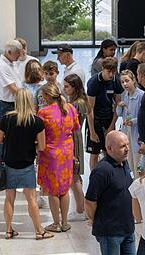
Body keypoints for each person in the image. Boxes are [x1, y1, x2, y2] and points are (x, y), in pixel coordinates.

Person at [85, 131, 143, 255]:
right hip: (110, 230)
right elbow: (90, 201)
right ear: (109, 149)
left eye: (127, 144)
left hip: (127, 227)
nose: (127, 149)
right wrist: (94, 221)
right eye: (122, 146)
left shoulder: (123, 163)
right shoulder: (102, 171)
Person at [0, 89, 51, 240]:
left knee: (9, 198)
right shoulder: (37, 121)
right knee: (31, 198)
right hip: (27, 164)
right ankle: (39, 231)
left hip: (9, 163)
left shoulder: (6, 119)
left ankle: (8, 230)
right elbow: (42, 147)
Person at [37, 83, 79, 233]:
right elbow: (76, 128)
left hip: (51, 153)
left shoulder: (43, 112)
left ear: (48, 96)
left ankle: (55, 223)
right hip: (67, 152)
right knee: (64, 188)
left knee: (53, 190)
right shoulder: (70, 108)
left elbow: (39, 134)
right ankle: (65, 222)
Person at [86, 56, 122, 170]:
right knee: (95, 153)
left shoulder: (116, 80)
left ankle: (109, 176)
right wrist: (92, 132)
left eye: (113, 71)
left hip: (108, 118)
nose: (111, 75)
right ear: (102, 69)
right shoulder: (93, 82)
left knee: (110, 152)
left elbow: (117, 105)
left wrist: (111, 126)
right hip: (95, 119)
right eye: (108, 72)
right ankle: (94, 178)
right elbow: (89, 109)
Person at [63, 74, 88, 222]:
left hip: (73, 138)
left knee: (74, 175)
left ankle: (80, 210)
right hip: (73, 137)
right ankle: (80, 207)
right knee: (74, 176)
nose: (64, 89)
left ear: (75, 87)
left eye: (67, 86)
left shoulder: (77, 104)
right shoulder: (75, 101)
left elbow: (71, 123)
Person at [117, 70, 145, 177]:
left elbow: (144, 116)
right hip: (126, 130)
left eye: (127, 81)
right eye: (122, 82)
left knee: (138, 159)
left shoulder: (141, 95)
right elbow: (120, 114)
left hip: (137, 131)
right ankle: (133, 181)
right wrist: (119, 106)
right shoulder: (124, 95)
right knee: (128, 159)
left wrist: (132, 121)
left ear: (133, 80)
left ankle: (140, 182)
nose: (125, 84)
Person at [0, 40, 23, 122]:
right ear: (9, 52)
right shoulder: (1, 66)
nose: (20, 55)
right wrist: (28, 97)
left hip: (14, 103)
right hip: (5, 106)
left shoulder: (12, 62)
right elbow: (13, 88)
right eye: (18, 53)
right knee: (7, 133)